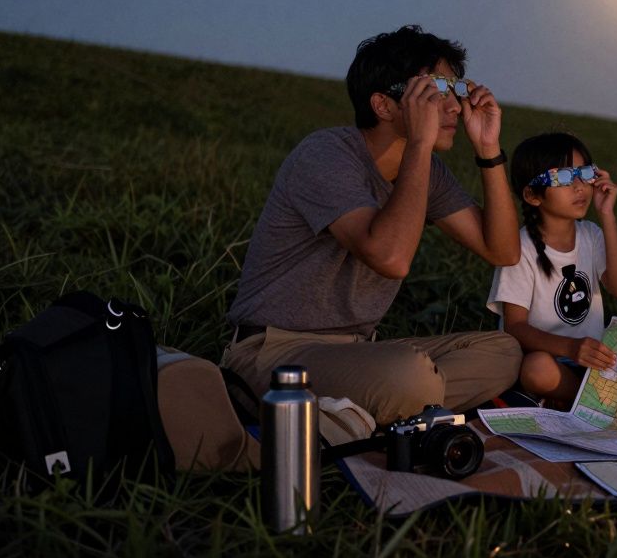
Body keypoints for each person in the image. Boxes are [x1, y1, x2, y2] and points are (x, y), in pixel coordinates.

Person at [222, 25, 523, 425]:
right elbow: (390, 257)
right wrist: (419, 143)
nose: (454, 107)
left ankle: (365, 413)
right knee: (409, 376)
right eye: (436, 90)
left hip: (360, 353)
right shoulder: (325, 154)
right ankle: (392, 410)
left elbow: (502, 251)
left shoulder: (426, 172)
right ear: (384, 105)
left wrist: (488, 150)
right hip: (275, 350)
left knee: (504, 351)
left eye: (457, 90)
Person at [487, 133, 617, 408]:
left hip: (590, 361)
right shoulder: (520, 247)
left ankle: (575, 400)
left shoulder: (591, 234)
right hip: (545, 358)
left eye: (584, 173)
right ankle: (598, 404)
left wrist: (607, 215)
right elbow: (515, 326)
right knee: (537, 369)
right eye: (565, 178)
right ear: (532, 195)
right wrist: (569, 348)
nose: (579, 186)